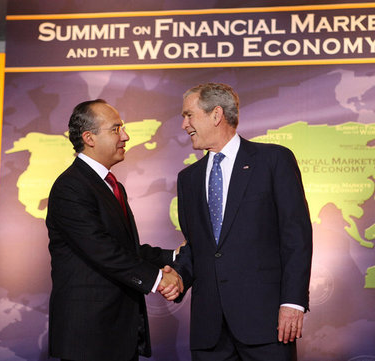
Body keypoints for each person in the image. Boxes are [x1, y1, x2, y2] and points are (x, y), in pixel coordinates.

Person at [166, 83, 312, 360]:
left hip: (266, 325)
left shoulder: (273, 160)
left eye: (189, 115)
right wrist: (178, 277)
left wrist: (293, 303)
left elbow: (296, 237)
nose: (184, 125)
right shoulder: (189, 179)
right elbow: (197, 248)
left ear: (216, 114)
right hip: (209, 332)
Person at [46, 99, 183, 361]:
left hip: (117, 334)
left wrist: (173, 257)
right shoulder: (70, 188)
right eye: (116, 129)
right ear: (89, 138)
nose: (126, 136)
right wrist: (158, 279)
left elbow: (124, 248)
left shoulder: (112, 185)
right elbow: (102, 250)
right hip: (89, 340)